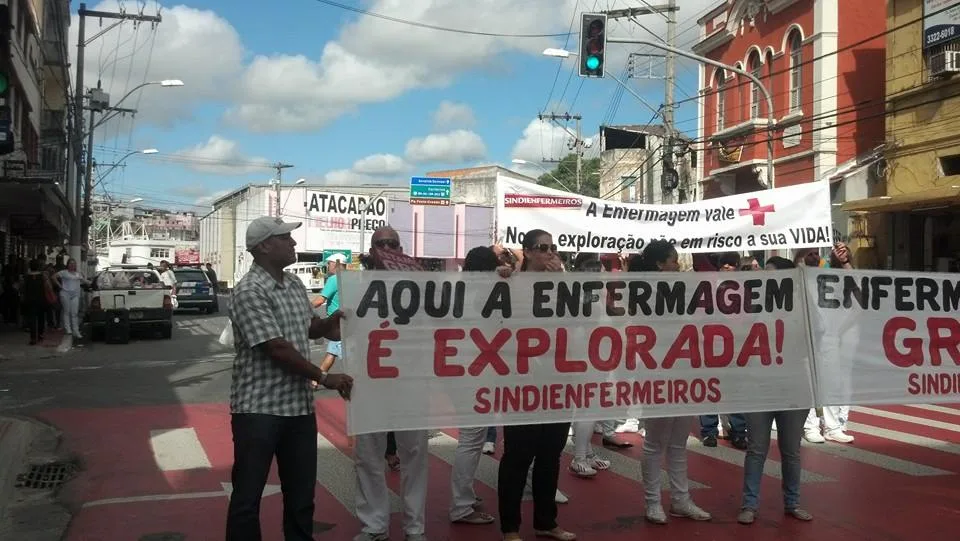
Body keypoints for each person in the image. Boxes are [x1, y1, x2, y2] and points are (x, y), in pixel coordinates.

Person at [224, 216, 353, 541]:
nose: (294, 243)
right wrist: (324, 378)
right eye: (286, 238)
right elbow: (275, 347)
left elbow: (307, 328)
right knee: (247, 497)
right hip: (258, 410)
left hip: (297, 409)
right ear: (265, 246)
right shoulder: (248, 291)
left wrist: (331, 323)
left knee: (301, 497)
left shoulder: (294, 285)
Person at [498, 229, 576, 541]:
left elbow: (578, 317)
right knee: (518, 455)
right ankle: (510, 527)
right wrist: (503, 276)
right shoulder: (510, 282)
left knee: (550, 454)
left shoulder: (562, 284)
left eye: (553, 248)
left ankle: (546, 521)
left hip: (557, 379)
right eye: (543, 248)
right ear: (527, 252)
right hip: (521, 380)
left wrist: (563, 282)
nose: (549, 253)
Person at [353, 226, 430, 541]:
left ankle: (414, 527)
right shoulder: (356, 286)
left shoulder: (420, 285)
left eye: (392, 243)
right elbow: (342, 327)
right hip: (370, 382)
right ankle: (374, 526)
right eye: (380, 244)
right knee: (367, 455)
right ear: (371, 250)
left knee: (414, 454)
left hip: (411, 382)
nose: (387, 248)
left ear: (401, 248)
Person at [631, 240, 712, 525]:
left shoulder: (684, 289)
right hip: (655, 373)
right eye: (673, 260)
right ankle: (653, 502)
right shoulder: (640, 291)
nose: (677, 264)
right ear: (658, 265)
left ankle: (681, 500)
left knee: (678, 442)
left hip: (683, 371)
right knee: (655, 442)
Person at [738, 256, 814, 525]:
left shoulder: (803, 305)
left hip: (794, 386)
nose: (764, 277)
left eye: (770, 273)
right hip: (759, 385)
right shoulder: (752, 304)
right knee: (756, 449)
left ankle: (792, 502)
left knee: (791, 450)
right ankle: (749, 504)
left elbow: (819, 334)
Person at [448, 246, 506, 527]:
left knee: (471, 438)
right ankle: (460, 506)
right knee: (471, 439)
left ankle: (465, 496)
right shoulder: (484, 292)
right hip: (475, 372)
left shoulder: (459, 289)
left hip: (464, 371)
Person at [314, 252, 346, 373]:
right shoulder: (349, 277)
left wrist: (304, 308)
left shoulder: (334, 279)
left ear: (335, 264)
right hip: (345, 322)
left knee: (347, 357)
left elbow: (320, 300)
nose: (328, 266)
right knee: (331, 353)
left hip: (336, 324)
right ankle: (316, 380)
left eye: (329, 263)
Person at [54, 258, 89, 340]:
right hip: (65, 294)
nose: (72, 265)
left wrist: (92, 282)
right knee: (67, 311)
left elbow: (84, 281)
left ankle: (76, 331)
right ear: (68, 264)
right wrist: (59, 286)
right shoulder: (63, 272)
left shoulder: (78, 274)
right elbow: (53, 277)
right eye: (70, 263)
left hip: (75, 295)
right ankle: (68, 329)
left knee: (74, 313)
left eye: (74, 263)